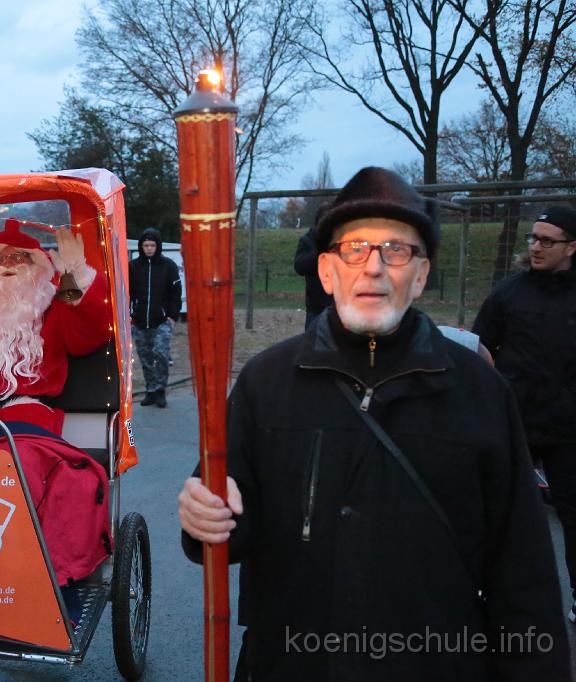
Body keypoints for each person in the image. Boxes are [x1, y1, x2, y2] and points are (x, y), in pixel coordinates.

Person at [177, 166, 569, 681]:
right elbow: (227, 525)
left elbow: (524, 572)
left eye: (396, 250)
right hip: (292, 662)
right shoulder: (265, 383)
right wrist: (205, 520)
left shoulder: (480, 393)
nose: (374, 268)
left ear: (421, 275)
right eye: (354, 249)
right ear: (326, 272)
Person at [0, 219, 113, 590]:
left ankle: (22, 576)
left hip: (26, 417)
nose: (8, 264)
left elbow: (90, 332)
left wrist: (77, 272)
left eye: (19, 257)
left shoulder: (55, 306)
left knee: (15, 466)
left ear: (36, 267)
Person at [473, 205, 576, 622]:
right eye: (533, 238)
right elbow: (480, 345)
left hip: (568, 427)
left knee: (573, 512)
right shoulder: (509, 293)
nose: (535, 247)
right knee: (496, 509)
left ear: (571, 247)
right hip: (514, 420)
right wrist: (496, 391)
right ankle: (484, 590)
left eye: (547, 241)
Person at [129, 227, 183, 407]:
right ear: (141, 246)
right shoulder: (133, 267)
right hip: (139, 322)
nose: (149, 249)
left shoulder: (169, 266)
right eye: (146, 245)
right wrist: (129, 314)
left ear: (157, 246)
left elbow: (176, 293)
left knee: (160, 354)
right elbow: (127, 292)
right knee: (145, 358)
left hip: (162, 321)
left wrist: (172, 316)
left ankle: (161, 390)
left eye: (152, 245)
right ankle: (150, 390)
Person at [293, 221, 334, 329]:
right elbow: (299, 266)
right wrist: (319, 254)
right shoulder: (307, 241)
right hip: (316, 306)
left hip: (338, 305)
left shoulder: (339, 239)